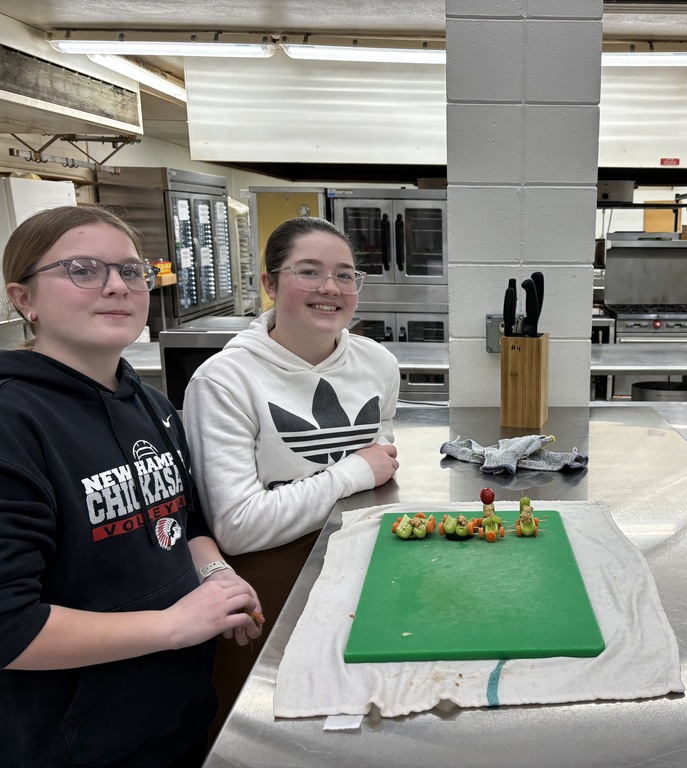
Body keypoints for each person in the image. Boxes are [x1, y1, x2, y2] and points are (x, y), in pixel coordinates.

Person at [0, 205, 262, 768]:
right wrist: (173, 625)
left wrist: (217, 575)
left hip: (179, 719)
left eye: (130, 270)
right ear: (24, 300)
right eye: (83, 270)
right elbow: (9, 627)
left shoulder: (150, 402)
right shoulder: (13, 423)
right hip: (77, 749)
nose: (117, 286)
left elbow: (184, 521)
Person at [183, 216, 400, 728]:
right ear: (270, 283)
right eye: (309, 271)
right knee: (269, 730)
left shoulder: (378, 363)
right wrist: (352, 472)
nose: (331, 288)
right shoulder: (225, 380)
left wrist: (365, 472)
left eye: (345, 275)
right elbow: (239, 526)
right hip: (270, 585)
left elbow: (381, 465)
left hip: (363, 571)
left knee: (367, 720)